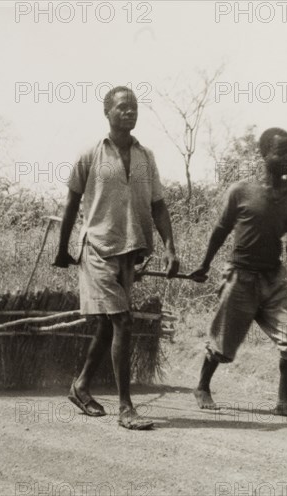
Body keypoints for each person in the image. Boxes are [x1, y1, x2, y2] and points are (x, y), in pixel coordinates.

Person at [54, 86, 179, 430]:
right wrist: (62, 250)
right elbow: (71, 203)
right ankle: (126, 408)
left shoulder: (145, 157)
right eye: (122, 107)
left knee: (111, 324)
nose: (129, 112)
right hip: (96, 247)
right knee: (123, 321)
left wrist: (170, 249)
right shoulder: (90, 154)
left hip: (131, 249)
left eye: (134, 107)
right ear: (107, 113)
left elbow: (158, 205)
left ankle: (80, 386)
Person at [190, 127, 287, 418]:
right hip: (240, 278)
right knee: (222, 345)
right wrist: (204, 265)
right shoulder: (241, 191)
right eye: (281, 152)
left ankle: (283, 403)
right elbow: (220, 231)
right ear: (264, 154)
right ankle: (203, 387)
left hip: (274, 280)